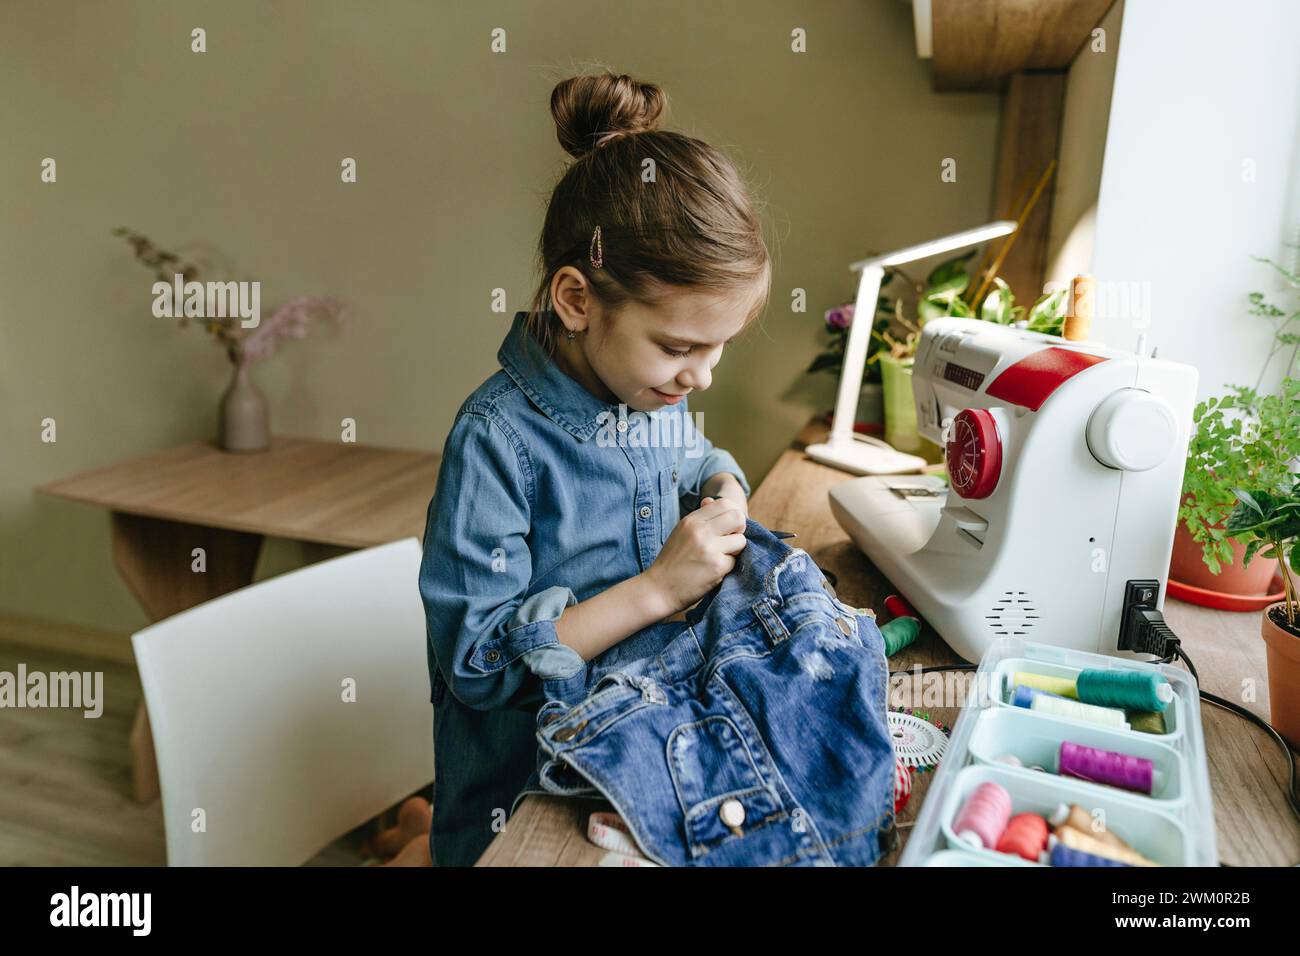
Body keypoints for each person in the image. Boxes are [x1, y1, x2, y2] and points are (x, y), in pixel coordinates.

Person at [418, 70, 771, 866]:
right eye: (680, 348)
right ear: (576, 300)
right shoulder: (495, 442)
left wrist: (723, 487)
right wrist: (656, 590)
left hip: (633, 751)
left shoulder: (644, 387)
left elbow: (697, 454)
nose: (700, 378)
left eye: (719, 349)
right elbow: (479, 666)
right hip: (523, 799)